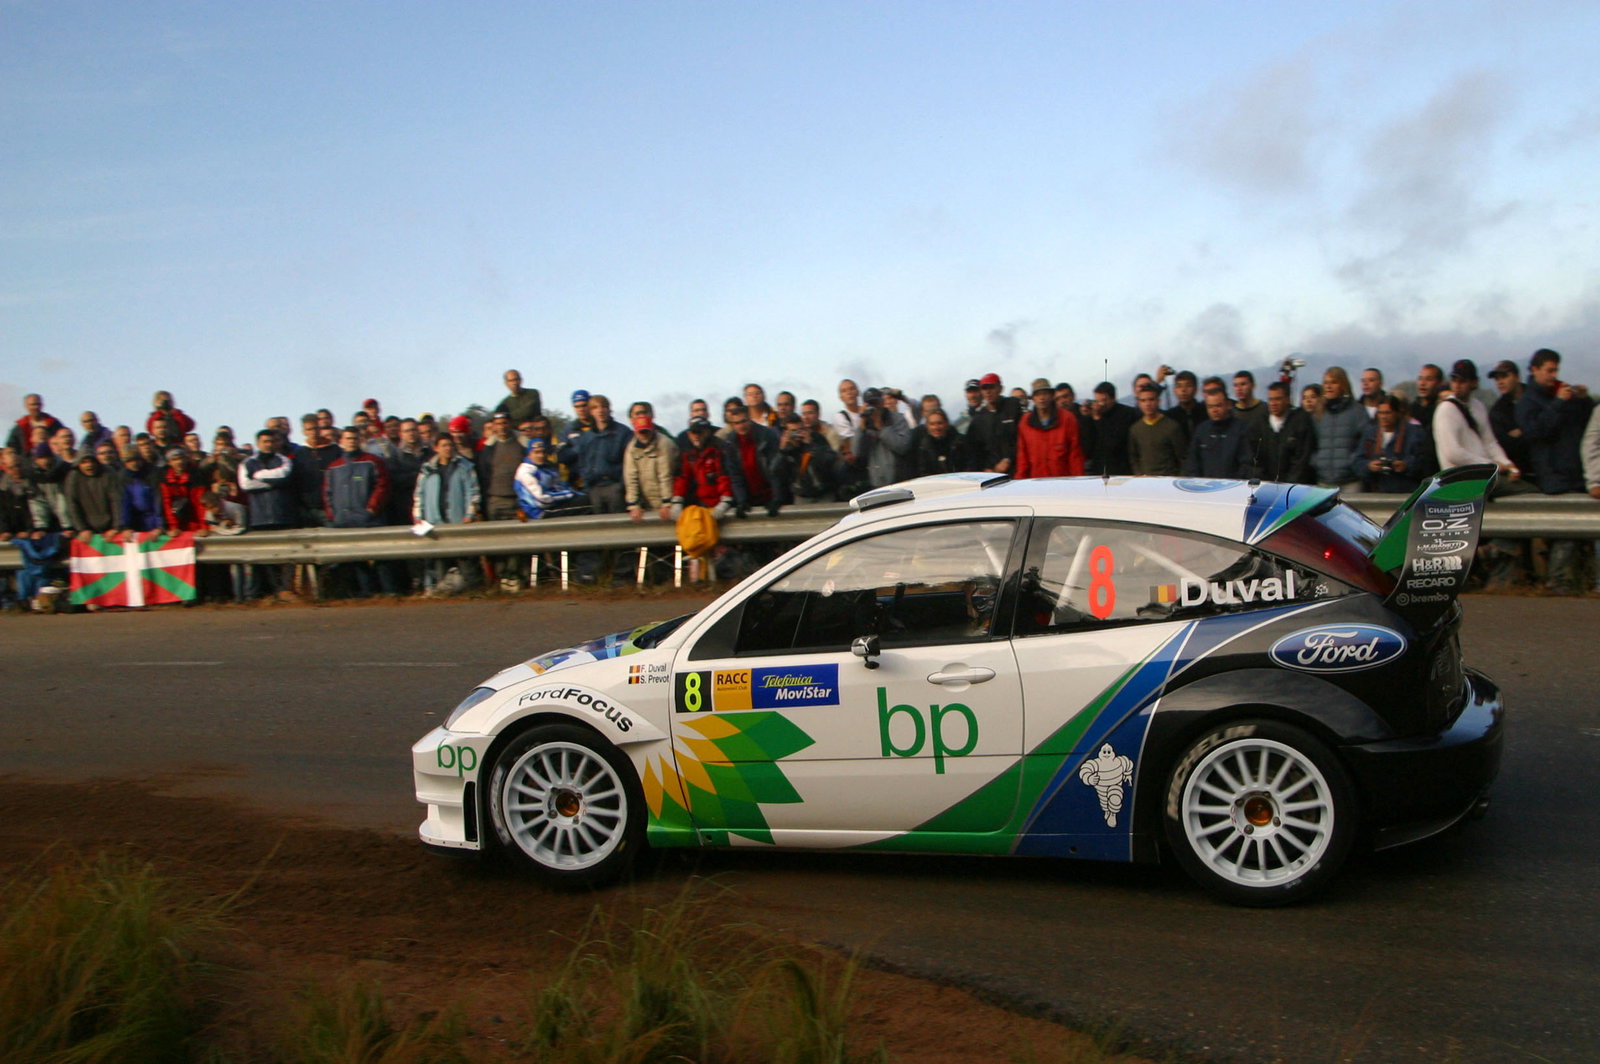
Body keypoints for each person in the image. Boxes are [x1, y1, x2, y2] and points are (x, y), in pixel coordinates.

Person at [1516, 348, 1594, 593]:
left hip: (1572, 472)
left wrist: (1583, 400)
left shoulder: (1558, 396)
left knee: (1578, 532)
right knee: (1565, 532)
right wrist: (1559, 403)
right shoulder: (1528, 401)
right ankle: (1559, 582)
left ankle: (1576, 580)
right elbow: (1537, 432)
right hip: (1553, 475)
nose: (1553, 375)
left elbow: (1581, 427)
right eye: (1549, 370)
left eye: (1556, 370)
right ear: (1535, 370)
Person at [413, 434, 481, 594]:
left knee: (464, 558)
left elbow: (473, 492)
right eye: (443, 445)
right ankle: (439, 590)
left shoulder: (465, 466)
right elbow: (419, 494)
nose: (447, 448)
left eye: (450, 445)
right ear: (436, 448)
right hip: (434, 521)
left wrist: (470, 514)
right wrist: (418, 516)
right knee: (438, 559)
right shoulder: (427, 469)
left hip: (459, 520)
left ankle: (473, 589)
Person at [720, 402, 786, 513]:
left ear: (750, 419)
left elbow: (776, 469)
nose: (741, 426)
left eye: (744, 421)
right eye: (736, 423)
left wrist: (777, 498)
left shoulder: (767, 435)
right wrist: (742, 500)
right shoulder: (730, 442)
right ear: (732, 424)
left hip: (770, 492)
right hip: (750, 495)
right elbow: (735, 475)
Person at [1309, 368, 1367, 489]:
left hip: (1351, 481)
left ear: (1343, 385)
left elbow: (1365, 442)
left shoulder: (1357, 411)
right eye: (1326, 383)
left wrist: (1352, 462)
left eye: (1334, 382)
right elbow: (1311, 443)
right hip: (1323, 480)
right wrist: (1317, 462)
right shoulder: (1318, 412)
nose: (1329, 386)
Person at [1353, 396, 1425, 493]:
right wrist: (1369, 466)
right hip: (1377, 490)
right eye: (1380, 413)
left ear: (1397, 413)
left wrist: (1406, 465)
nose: (1384, 417)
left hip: (1406, 489)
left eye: (1388, 413)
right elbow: (1357, 460)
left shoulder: (1414, 432)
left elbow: (1423, 461)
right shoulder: (1370, 433)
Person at [1018, 381, 1086, 477]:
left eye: (1045, 393)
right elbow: (1022, 457)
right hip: (1036, 482)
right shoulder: (1025, 422)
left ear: (1052, 396)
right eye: (1037, 394)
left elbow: (1075, 454)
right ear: (1033, 398)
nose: (1042, 398)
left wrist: (1079, 482)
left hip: (1063, 481)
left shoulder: (1067, 418)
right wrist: (1020, 481)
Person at [1186, 391, 1260, 478]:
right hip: (1206, 487)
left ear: (1228, 404)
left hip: (1234, 486)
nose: (1214, 410)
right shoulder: (1201, 430)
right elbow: (1193, 462)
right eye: (1210, 406)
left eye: (1218, 405)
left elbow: (1247, 462)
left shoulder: (1241, 429)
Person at [1255, 381, 1315, 484]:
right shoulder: (1260, 425)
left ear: (1287, 400)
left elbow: (1302, 460)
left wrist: (1288, 485)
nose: (1273, 403)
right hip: (1267, 487)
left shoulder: (1301, 422)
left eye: (1278, 399)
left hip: (1295, 488)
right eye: (1270, 399)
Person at [777, 412, 846, 502]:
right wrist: (782, 450)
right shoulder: (784, 446)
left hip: (824, 492)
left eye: (800, 430)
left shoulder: (816, 439)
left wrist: (810, 445)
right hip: (801, 494)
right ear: (786, 432)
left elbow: (829, 460)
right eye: (793, 431)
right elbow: (776, 470)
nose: (797, 434)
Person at [623, 414, 679, 522]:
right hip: (647, 499)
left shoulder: (664, 444)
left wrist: (667, 503)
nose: (644, 436)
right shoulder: (631, 449)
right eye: (641, 432)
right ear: (635, 431)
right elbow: (630, 478)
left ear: (652, 429)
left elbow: (665, 475)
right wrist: (634, 505)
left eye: (646, 431)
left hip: (668, 496)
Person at [965, 373, 1023, 473]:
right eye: (984, 388)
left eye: (991, 387)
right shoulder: (978, 420)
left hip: (1018, 467)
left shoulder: (1013, 405)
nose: (988, 392)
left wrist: (1008, 459)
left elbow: (1021, 437)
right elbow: (975, 451)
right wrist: (986, 469)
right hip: (992, 474)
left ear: (1000, 388)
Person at [1127, 385, 1185, 476]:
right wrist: (1139, 474)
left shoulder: (1172, 427)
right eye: (1143, 400)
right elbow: (1133, 457)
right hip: (1145, 480)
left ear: (1158, 401)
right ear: (1139, 403)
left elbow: (1182, 457)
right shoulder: (1135, 429)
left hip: (1168, 479)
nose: (1148, 404)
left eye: (1151, 399)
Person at [1087, 382, 1137, 475]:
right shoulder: (1092, 415)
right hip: (1099, 470)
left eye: (1103, 400)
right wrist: (1086, 418)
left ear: (1113, 398)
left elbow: (1114, 442)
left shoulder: (1126, 414)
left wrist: (1098, 419)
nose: (1100, 404)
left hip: (1121, 470)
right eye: (1097, 401)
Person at [159, 448, 208, 533]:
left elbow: (200, 504)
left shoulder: (196, 476)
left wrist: (204, 526)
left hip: (196, 524)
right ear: (169, 462)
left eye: (181, 458)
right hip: (177, 526)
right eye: (175, 459)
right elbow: (167, 505)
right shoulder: (165, 480)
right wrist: (173, 527)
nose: (179, 462)